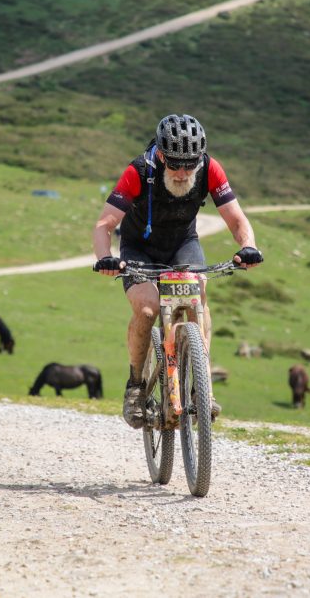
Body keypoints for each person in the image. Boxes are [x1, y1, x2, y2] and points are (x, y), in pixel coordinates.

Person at [92, 114, 263, 428]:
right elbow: (104, 224)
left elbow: (236, 219)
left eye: (190, 164)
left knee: (197, 301)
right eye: (175, 164)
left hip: (183, 244)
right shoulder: (138, 171)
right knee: (147, 310)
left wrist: (248, 246)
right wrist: (105, 258)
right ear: (160, 155)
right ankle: (135, 386)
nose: (184, 172)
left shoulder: (209, 169)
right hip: (139, 249)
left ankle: (202, 385)